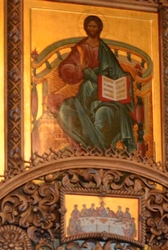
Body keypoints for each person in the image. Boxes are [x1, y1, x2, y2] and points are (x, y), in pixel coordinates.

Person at [49, 16, 137, 153]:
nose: (92, 29)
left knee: (104, 114)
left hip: (106, 93)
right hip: (87, 92)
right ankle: (91, 147)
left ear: (99, 28)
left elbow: (117, 71)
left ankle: (98, 150)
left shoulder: (104, 49)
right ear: (85, 28)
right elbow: (66, 68)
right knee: (65, 110)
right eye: (89, 26)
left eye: (94, 26)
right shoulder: (81, 48)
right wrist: (80, 68)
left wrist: (126, 78)